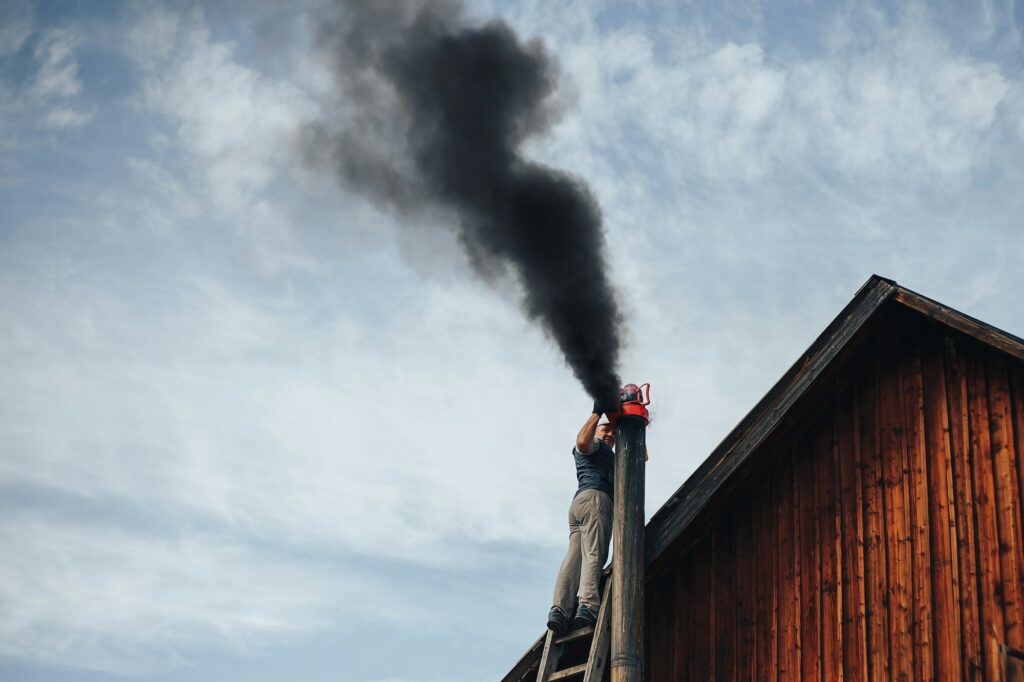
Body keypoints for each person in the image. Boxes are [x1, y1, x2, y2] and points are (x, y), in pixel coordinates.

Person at [547, 402, 618, 634]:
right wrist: (597, 413)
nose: (609, 435)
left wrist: (636, 428)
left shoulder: (611, 455)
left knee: (574, 557)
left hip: (579, 504)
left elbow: (642, 459)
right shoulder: (595, 445)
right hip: (595, 500)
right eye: (605, 430)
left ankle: (560, 609)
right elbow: (582, 442)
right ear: (597, 430)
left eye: (613, 433)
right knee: (594, 553)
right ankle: (587, 606)